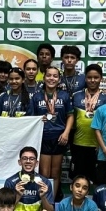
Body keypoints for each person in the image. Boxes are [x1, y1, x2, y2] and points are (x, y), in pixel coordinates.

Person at [31, 66, 74, 200]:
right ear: (44, 78)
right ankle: (44, 201)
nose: (52, 78)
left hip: (59, 137)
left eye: (55, 76)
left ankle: (52, 202)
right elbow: (30, 118)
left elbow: (70, 116)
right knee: (44, 173)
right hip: (43, 137)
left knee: (55, 173)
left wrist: (66, 133)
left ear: (59, 79)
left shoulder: (64, 96)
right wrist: (39, 119)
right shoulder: (37, 96)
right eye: (49, 75)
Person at [70, 64, 106, 186]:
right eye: (89, 77)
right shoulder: (76, 96)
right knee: (78, 178)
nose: (92, 80)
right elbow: (70, 118)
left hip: (98, 145)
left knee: (98, 178)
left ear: (101, 78)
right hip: (78, 144)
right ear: (85, 78)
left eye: (96, 77)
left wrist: (101, 144)